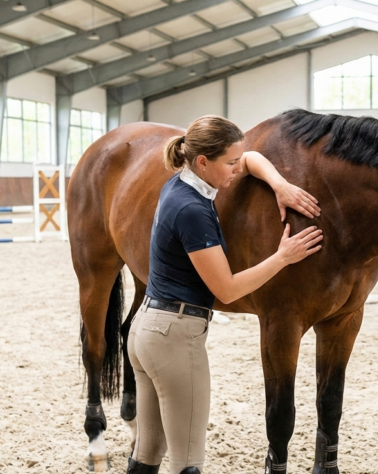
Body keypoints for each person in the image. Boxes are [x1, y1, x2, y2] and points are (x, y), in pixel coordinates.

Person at [126, 115, 324, 474]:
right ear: (204, 162)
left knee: (147, 456)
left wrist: (279, 184)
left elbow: (250, 160)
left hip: (147, 330)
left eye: (238, 160)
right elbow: (227, 290)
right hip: (175, 338)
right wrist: (282, 257)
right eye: (230, 163)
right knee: (187, 464)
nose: (237, 169)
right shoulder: (193, 211)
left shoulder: (181, 185)